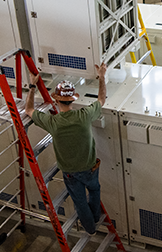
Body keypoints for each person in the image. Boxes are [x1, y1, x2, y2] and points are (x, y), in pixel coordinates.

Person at [25, 63, 107, 234]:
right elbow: (101, 99)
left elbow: (29, 109)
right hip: (90, 167)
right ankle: (96, 217)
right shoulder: (84, 115)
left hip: (70, 172)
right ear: (73, 99)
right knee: (94, 189)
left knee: (79, 202)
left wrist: (33, 85)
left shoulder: (53, 122)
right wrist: (102, 76)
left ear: (56, 100)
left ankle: (90, 228)